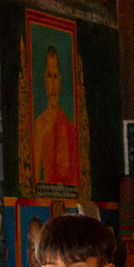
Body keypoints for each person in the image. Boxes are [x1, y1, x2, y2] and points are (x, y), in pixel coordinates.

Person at [33, 44, 81, 188]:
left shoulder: (69, 127)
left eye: (55, 76)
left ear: (60, 81)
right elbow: (35, 179)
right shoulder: (40, 123)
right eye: (49, 76)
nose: (53, 84)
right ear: (44, 80)